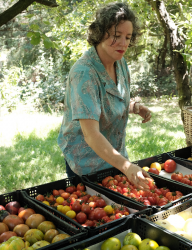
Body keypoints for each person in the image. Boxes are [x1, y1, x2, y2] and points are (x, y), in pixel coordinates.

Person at [58, 2, 152, 190]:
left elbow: (111, 98)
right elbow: (91, 135)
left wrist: (133, 107)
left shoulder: (120, 62)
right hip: (86, 164)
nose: (124, 43)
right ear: (100, 33)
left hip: (114, 159)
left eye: (128, 37)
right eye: (117, 36)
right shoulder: (84, 73)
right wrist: (126, 166)